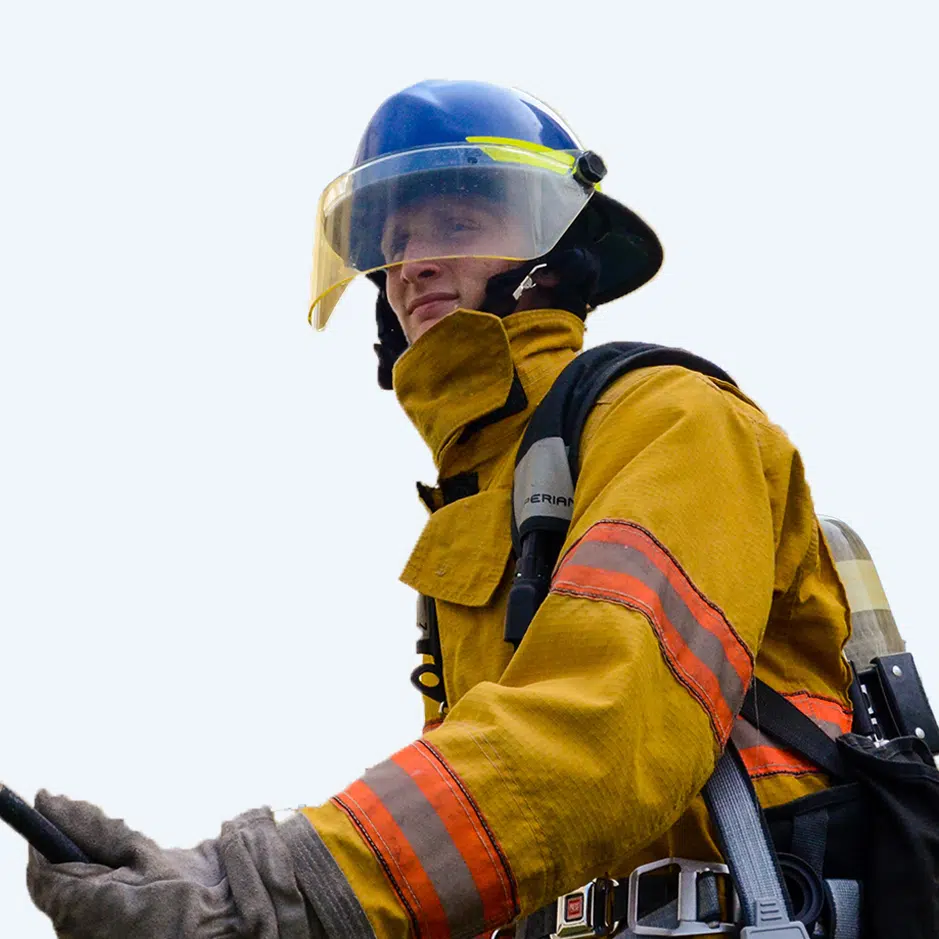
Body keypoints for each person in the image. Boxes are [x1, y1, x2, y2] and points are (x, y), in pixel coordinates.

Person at [26, 80, 853, 939]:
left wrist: (264, 891)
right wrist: (195, 888)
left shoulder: (669, 419)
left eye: (455, 225)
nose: (409, 262)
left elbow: (601, 730)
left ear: (553, 243)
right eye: (392, 242)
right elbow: (490, 831)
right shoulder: (484, 496)